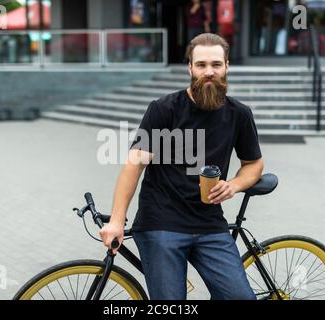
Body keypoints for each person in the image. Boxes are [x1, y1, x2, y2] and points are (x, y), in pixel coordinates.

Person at [99, 33, 263, 300]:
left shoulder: (239, 114)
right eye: (201, 65)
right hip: (162, 221)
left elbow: (253, 164)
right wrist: (117, 221)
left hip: (210, 224)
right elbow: (133, 166)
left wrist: (234, 185)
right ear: (190, 68)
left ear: (227, 66)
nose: (209, 72)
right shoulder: (164, 109)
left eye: (216, 64)